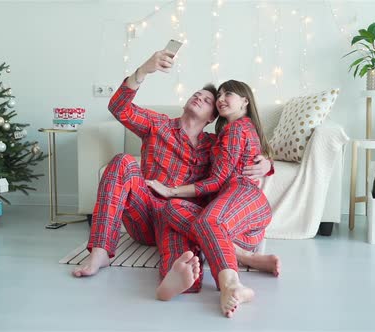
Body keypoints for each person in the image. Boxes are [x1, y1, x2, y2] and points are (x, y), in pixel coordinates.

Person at [72, 51, 272, 295]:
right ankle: (100, 252)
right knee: (122, 161)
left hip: (177, 217)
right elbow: (119, 107)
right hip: (145, 215)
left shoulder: (214, 144)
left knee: (180, 240)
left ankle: (178, 279)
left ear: (212, 117)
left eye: (208, 100)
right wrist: (144, 70)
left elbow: (236, 165)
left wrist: (267, 164)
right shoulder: (158, 125)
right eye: (197, 94)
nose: (199, 97)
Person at [147, 80, 278, 318]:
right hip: (233, 225)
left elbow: (217, 181)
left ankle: (231, 284)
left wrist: (171, 190)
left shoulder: (237, 129)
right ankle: (240, 255)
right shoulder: (225, 133)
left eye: (228, 94)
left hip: (244, 200)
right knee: (172, 210)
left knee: (206, 221)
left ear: (245, 101)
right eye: (219, 95)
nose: (221, 98)